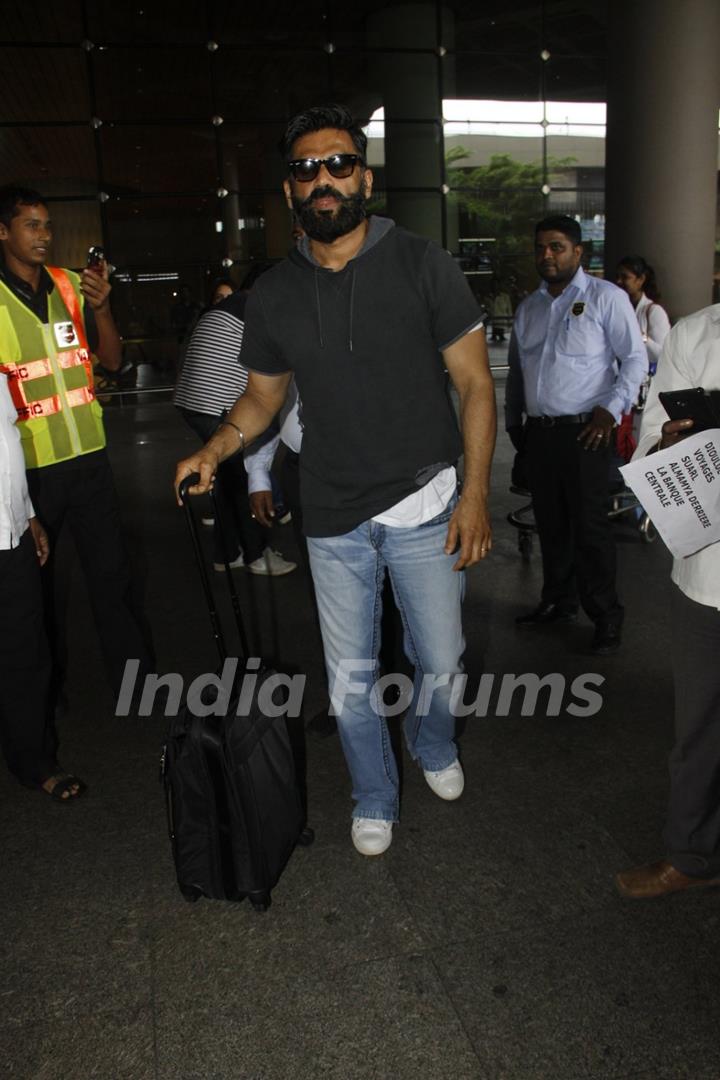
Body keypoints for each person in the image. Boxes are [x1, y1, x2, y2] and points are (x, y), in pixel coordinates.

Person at [175, 102, 496, 857]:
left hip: (426, 502)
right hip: (331, 517)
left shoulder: (424, 263)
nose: (322, 178)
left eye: (337, 164)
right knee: (351, 680)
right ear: (289, 191)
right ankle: (374, 794)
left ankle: (434, 742)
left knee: (443, 666)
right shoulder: (277, 294)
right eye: (304, 168)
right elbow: (261, 396)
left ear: (364, 178)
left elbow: (477, 386)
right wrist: (217, 449)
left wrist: (476, 493)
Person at [0, 185, 153, 705]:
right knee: (35, 595)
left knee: (114, 580)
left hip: (89, 460)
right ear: (3, 232)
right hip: (31, 470)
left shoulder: (70, 287)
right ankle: (45, 699)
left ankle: (136, 689)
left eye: (47, 225)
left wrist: (103, 308)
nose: (44, 235)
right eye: (31, 225)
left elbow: (111, 361)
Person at [615, 303, 720, 898]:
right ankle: (692, 855)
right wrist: (669, 444)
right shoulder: (695, 332)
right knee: (700, 726)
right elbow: (649, 439)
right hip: (708, 571)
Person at [506, 215, 647, 654]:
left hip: (588, 432)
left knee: (590, 530)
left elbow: (635, 360)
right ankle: (558, 602)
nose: (546, 256)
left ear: (578, 251)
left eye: (557, 247)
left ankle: (606, 615)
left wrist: (611, 409)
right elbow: (517, 371)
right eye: (541, 248)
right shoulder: (529, 308)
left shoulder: (606, 298)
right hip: (542, 435)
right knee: (551, 525)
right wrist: (515, 422)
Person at [0, 367, 85, 800]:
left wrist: (29, 515)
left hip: (9, 534)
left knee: (26, 652)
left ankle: (35, 761)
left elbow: (7, 445)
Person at [173, 288, 297, 576]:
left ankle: (227, 553)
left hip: (193, 400)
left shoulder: (234, 306)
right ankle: (256, 554)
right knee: (243, 483)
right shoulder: (268, 307)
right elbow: (269, 392)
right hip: (220, 403)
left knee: (227, 482)